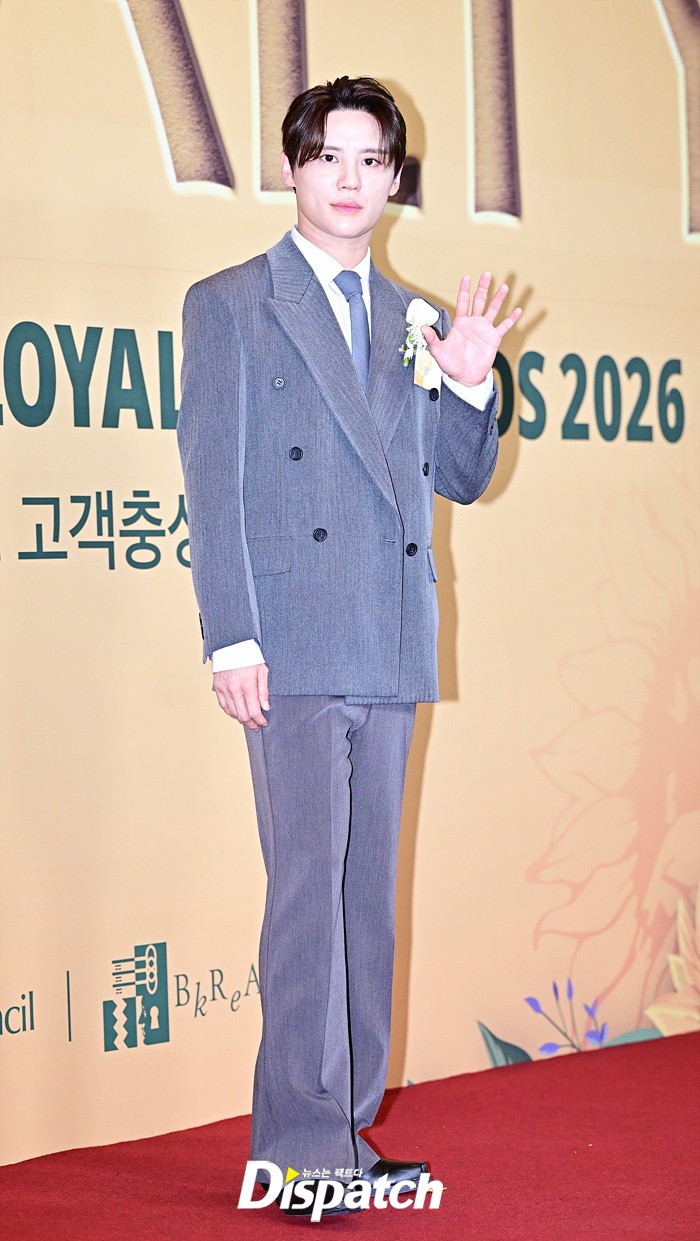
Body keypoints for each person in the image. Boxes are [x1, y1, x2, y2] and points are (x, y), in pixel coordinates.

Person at [177, 75, 521, 1216]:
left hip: (390, 633)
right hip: (289, 640)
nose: (349, 179)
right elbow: (212, 483)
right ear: (293, 168)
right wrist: (230, 635)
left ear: (395, 180)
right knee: (304, 901)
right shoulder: (232, 303)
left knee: (364, 900)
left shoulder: (415, 319)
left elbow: (460, 476)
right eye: (329, 155)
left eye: (372, 160)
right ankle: (298, 1150)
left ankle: (347, 1132)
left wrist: (471, 379)